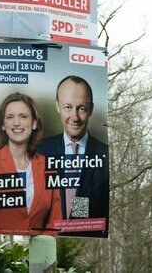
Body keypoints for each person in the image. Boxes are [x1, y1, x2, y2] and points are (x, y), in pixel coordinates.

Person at [0, 92, 61, 235]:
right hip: (0, 251)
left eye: (23, 116)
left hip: (40, 253)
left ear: (34, 123)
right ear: (3, 125)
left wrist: (40, 245)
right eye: (10, 117)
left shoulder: (49, 166)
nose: (16, 123)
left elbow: (55, 218)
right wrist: (6, 248)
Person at [38, 75, 109, 237]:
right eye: (68, 107)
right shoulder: (39, 151)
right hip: (47, 239)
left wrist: (75, 226)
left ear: (90, 109)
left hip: (87, 243)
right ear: (57, 106)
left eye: (81, 108)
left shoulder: (104, 156)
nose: (75, 117)